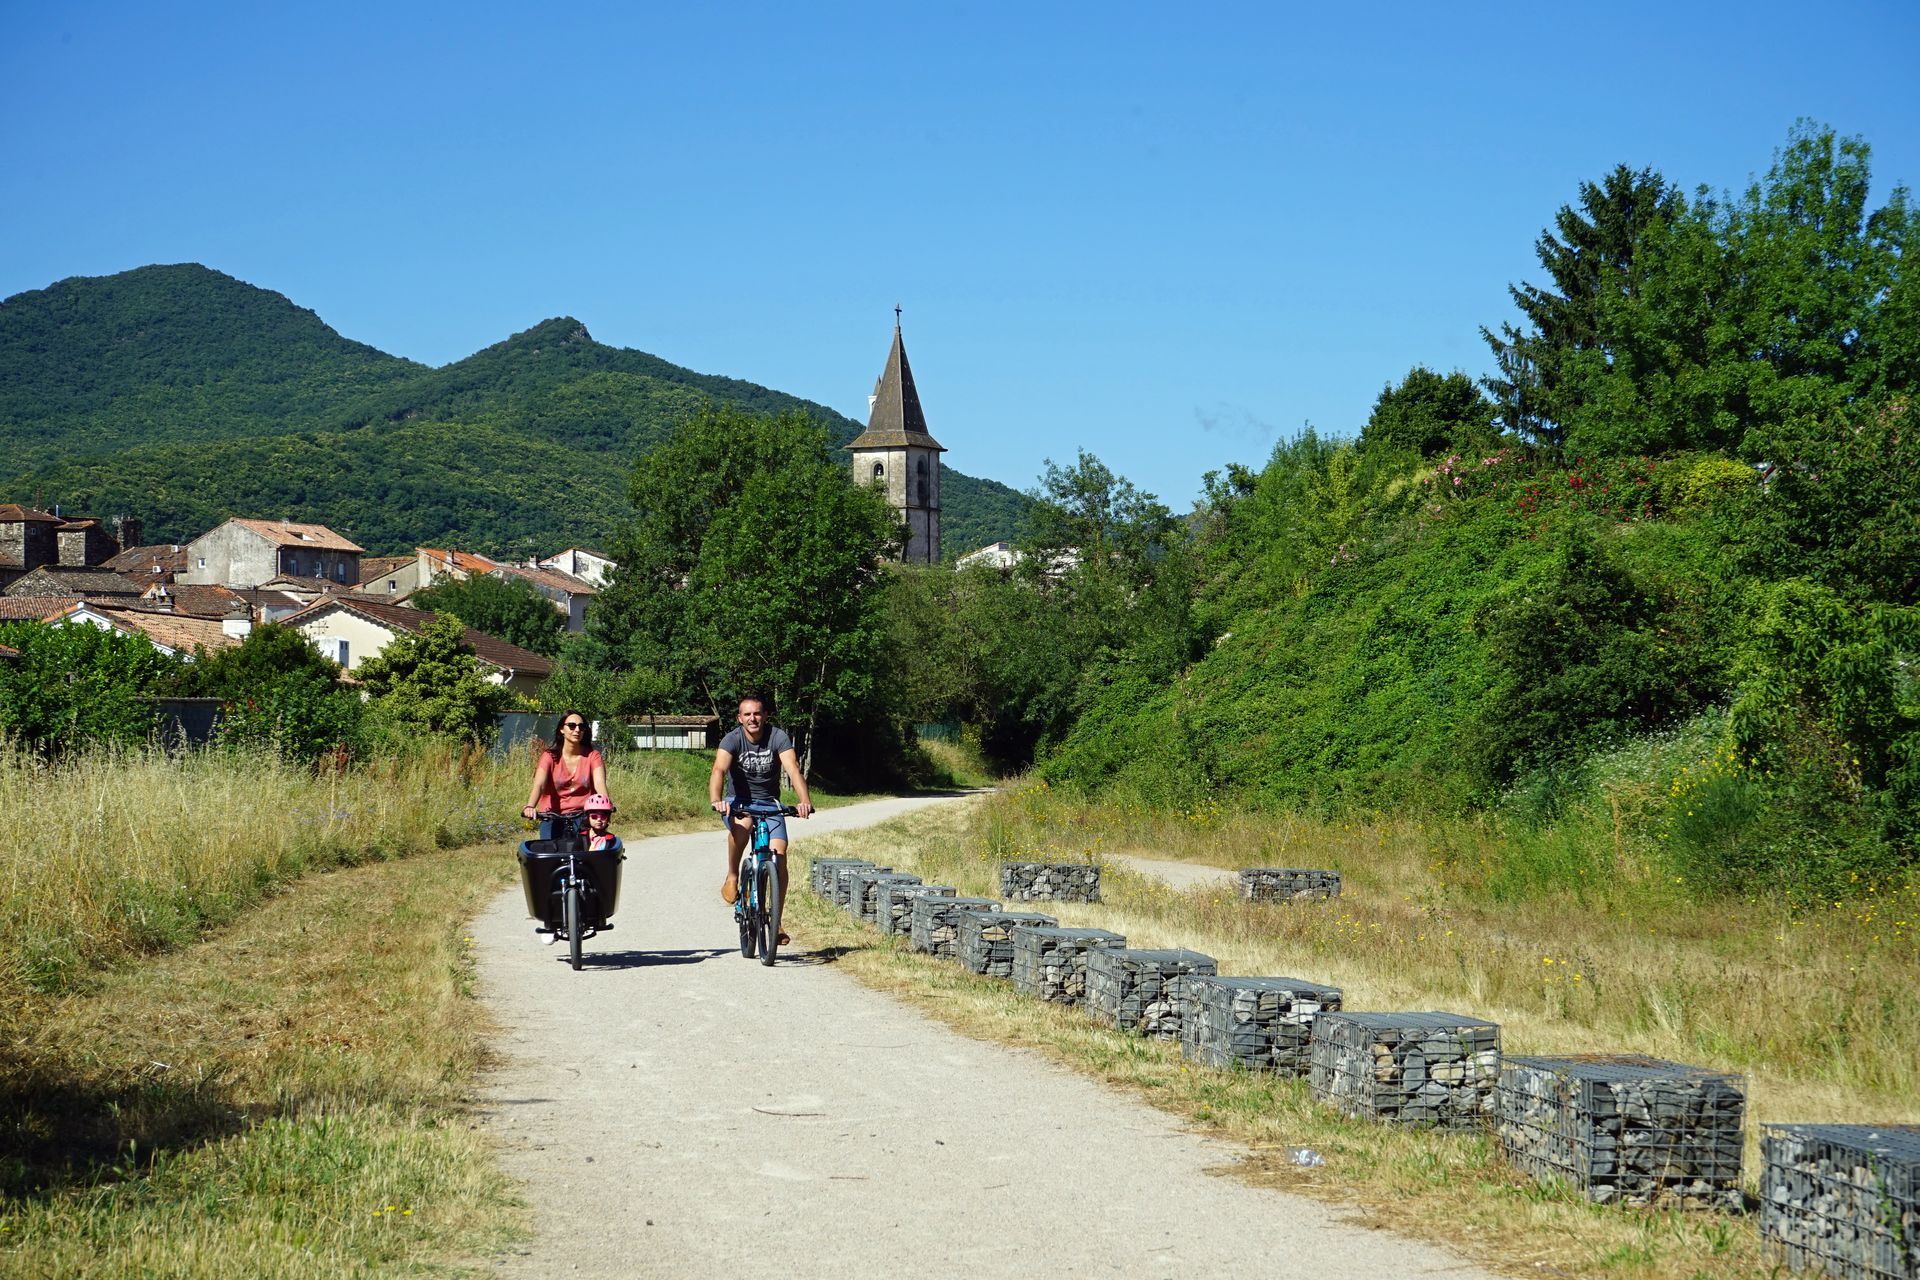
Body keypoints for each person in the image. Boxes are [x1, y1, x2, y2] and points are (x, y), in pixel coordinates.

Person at [708, 694, 813, 940]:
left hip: (769, 804)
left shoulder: (778, 737)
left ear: (765, 716)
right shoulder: (732, 739)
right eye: (747, 714)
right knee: (742, 825)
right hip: (738, 802)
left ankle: (776, 923)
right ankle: (733, 874)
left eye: (757, 713)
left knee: (780, 857)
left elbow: (792, 768)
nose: (753, 718)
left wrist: (804, 801)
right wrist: (716, 800)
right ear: (739, 718)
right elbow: (718, 769)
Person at [521, 710, 609, 840]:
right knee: (549, 855)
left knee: (588, 854)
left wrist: (604, 806)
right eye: (572, 726)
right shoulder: (549, 757)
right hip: (552, 815)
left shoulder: (593, 756)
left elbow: (599, 782)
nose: (577, 730)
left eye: (581, 726)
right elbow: (539, 785)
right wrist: (530, 806)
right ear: (562, 729)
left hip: (583, 816)